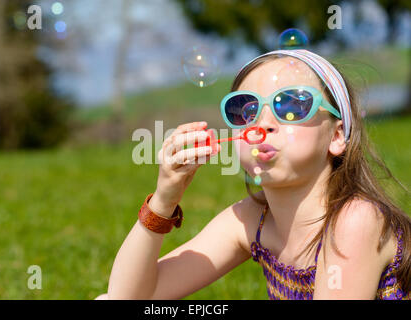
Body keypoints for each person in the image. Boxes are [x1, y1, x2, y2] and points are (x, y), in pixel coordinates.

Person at [98, 49, 410, 300]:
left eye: (290, 106)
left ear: (337, 136)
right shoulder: (253, 220)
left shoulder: (354, 220)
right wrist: (164, 198)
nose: (262, 125)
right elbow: (127, 296)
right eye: (245, 110)